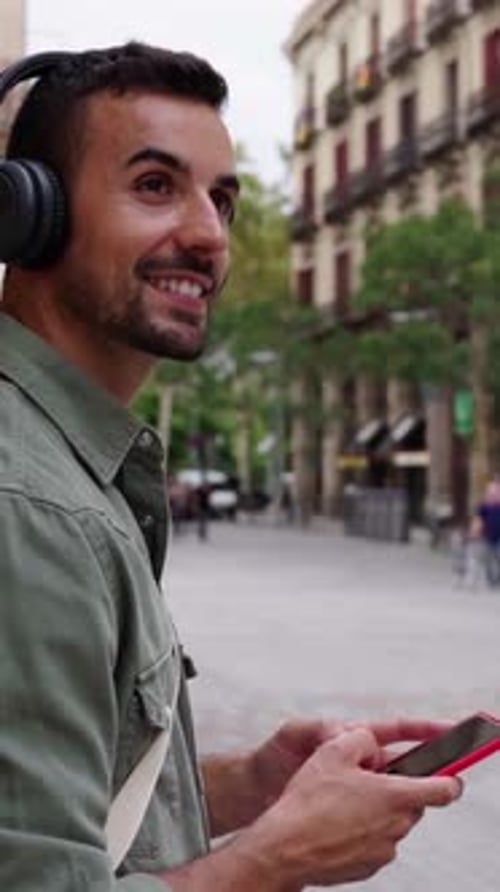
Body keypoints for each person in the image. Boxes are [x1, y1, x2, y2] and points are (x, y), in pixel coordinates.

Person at [0, 43, 462, 891]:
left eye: (222, 200)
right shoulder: (29, 505)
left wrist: (247, 786)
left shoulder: (66, 466)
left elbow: (51, 811)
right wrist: (278, 858)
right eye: (155, 186)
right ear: (28, 213)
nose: (209, 234)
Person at [470, 478, 500, 586]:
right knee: (488, 558)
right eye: (490, 492)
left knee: (498, 557)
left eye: (496, 491)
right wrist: (475, 531)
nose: (493, 494)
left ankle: (497, 577)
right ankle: (491, 578)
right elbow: (478, 519)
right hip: (487, 535)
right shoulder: (484, 506)